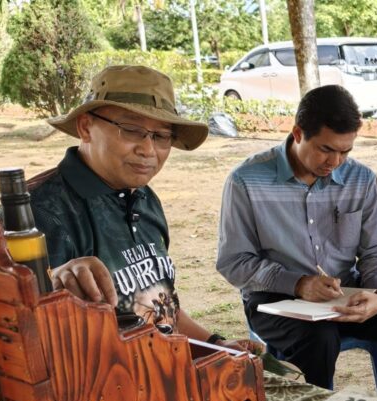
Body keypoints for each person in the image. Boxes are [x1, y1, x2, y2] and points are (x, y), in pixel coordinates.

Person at [216, 85, 377, 401]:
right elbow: (234, 261)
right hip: (274, 298)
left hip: (344, 290)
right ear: (298, 133)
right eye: (326, 149)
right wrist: (298, 284)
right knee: (319, 337)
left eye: (346, 151)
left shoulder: (361, 179)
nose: (335, 161)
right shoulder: (247, 180)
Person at [28, 65, 255, 351]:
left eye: (161, 136)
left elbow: (161, 305)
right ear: (86, 127)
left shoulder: (144, 197)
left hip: (163, 365)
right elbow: (29, 332)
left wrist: (217, 345)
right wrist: (55, 282)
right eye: (132, 130)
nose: (148, 150)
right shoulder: (40, 210)